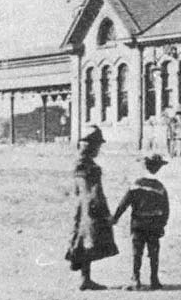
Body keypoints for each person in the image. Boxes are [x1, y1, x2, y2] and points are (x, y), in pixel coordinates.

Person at [65, 125, 119, 291]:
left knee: (83, 241)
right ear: (92, 146)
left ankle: (85, 277)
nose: (99, 149)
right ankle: (85, 278)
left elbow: (75, 189)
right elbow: (95, 192)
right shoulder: (91, 167)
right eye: (98, 145)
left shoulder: (78, 164)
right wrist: (105, 213)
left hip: (80, 208)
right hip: (91, 209)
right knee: (90, 240)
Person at [112, 153, 170, 291]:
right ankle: (154, 279)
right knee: (154, 252)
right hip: (154, 224)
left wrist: (115, 217)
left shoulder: (136, 184)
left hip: (138, 223)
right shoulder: (160, 187)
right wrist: (162, 224)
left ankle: (136, 279)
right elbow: (166, 209)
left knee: (137, 252)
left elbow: (124, 203)